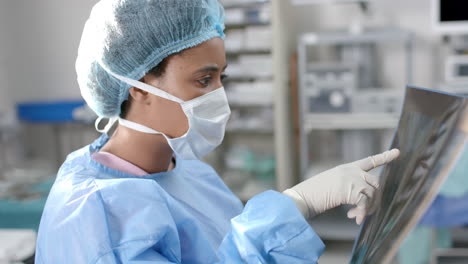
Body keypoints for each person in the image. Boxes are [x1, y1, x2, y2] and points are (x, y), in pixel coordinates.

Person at [35, 0, 400, 263]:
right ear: (139, 87)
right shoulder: (98, 214)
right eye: (203, 80)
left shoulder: (190, 172)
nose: (219, 97)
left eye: (220, 78)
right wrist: (296, 203)